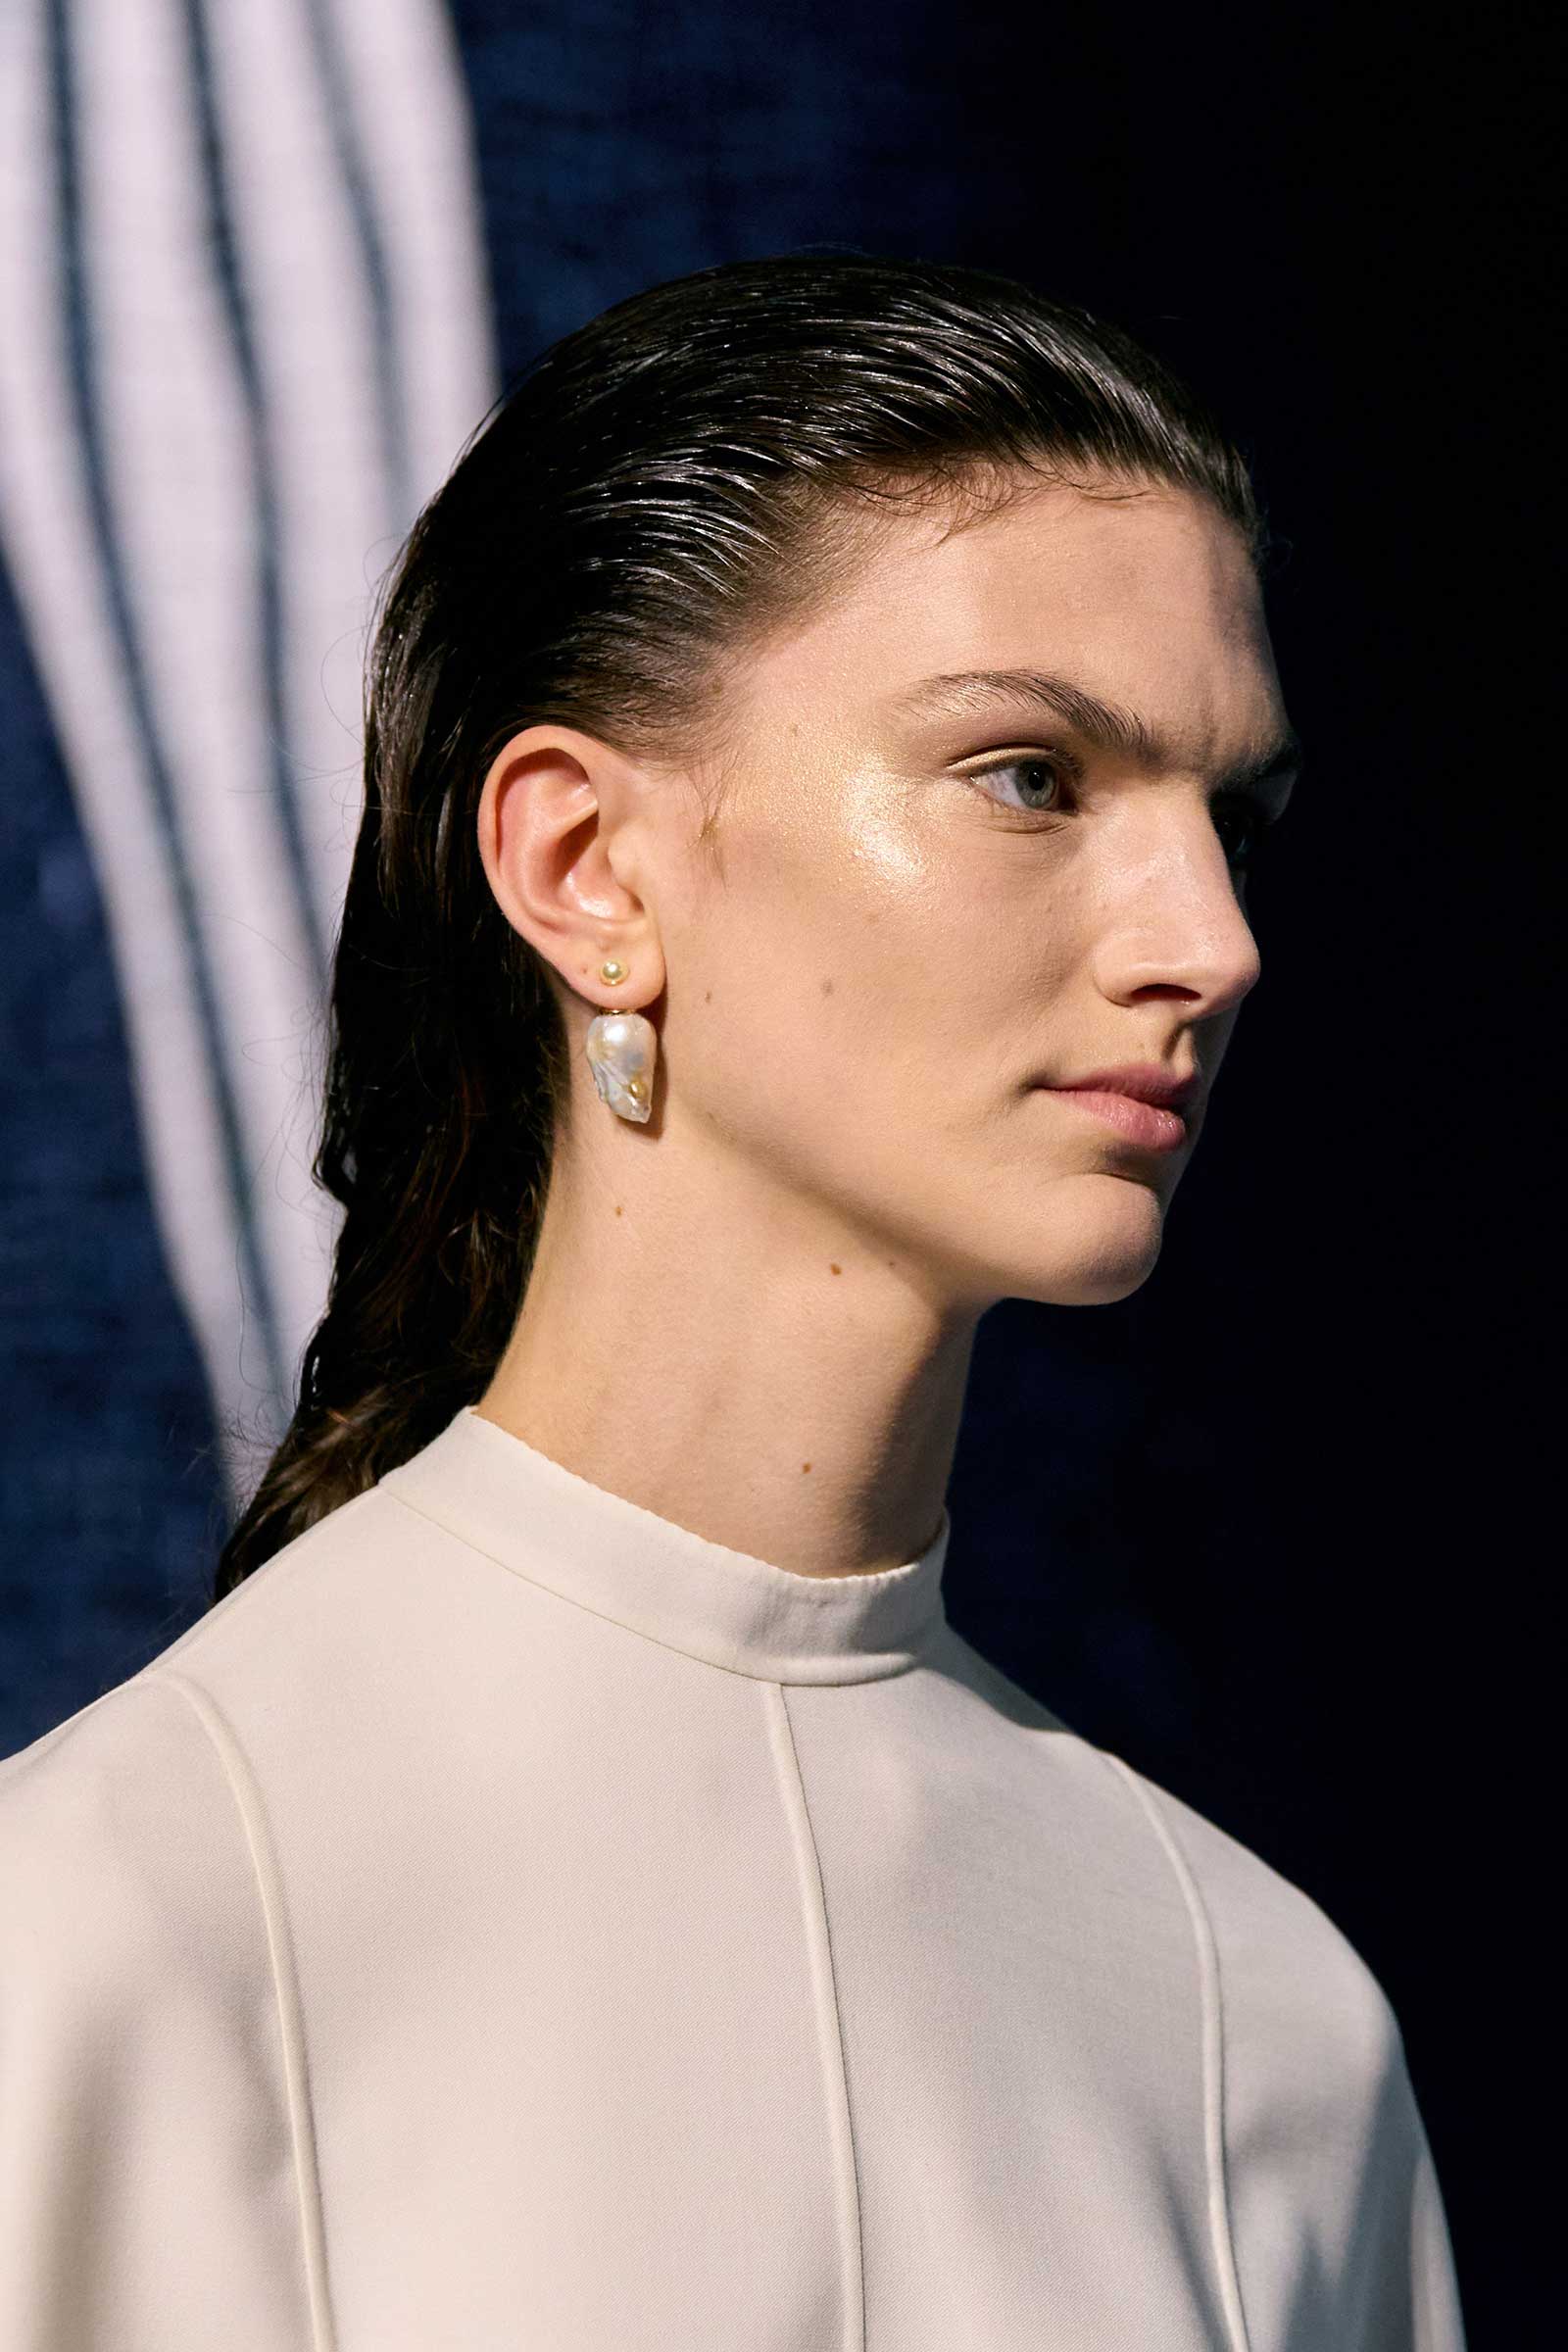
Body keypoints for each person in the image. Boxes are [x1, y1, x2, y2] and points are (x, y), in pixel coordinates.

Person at [0, 252, 1465, 2350]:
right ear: (586, 865)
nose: (1210, 941)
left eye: (1229, 816)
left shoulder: (1262, 2022)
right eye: (1032, 775)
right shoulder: (109, 1936)